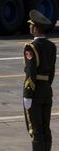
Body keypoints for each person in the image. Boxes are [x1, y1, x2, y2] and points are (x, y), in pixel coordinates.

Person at [24, 10, 56, 151]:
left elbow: (31, 72)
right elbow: (52, 72)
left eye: (31, 25)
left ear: (36, 28)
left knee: (35, 129)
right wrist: (46, 86)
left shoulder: (30, 47)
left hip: (35, 91)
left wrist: (28, 94)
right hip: (46, 90)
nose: (30, 27)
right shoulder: (52, 46)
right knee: (45, 128)